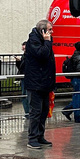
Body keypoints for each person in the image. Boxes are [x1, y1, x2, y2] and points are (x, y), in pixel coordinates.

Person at [21, 20, 56, 150]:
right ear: (43, 31)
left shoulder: (44, 41)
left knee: (44, 111)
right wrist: (47, 41)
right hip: (36, 83)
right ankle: (32, 138)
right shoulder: (34, 41)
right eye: (50, 29)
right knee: (35, 111)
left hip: (45, 82)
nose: (52, 32)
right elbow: (42, 54)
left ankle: (40, 135)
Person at [61, 42, 80, 123]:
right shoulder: (79, 57)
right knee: (79, 98)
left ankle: (67, 111)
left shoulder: (75, 56)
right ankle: (78, 117)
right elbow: (79, 69)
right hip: (79, 79)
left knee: (77, 97)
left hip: (75, 79)